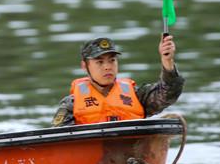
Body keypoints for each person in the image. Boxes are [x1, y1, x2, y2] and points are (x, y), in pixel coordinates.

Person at [51, 36, 185, 126]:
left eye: (112, 60)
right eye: (99, 62)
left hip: (132, 155)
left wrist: (167, 62)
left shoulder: (137, 95)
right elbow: (58, 138)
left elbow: (169, 93)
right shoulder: (71, 104)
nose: (107, 67)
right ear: (85, 66)